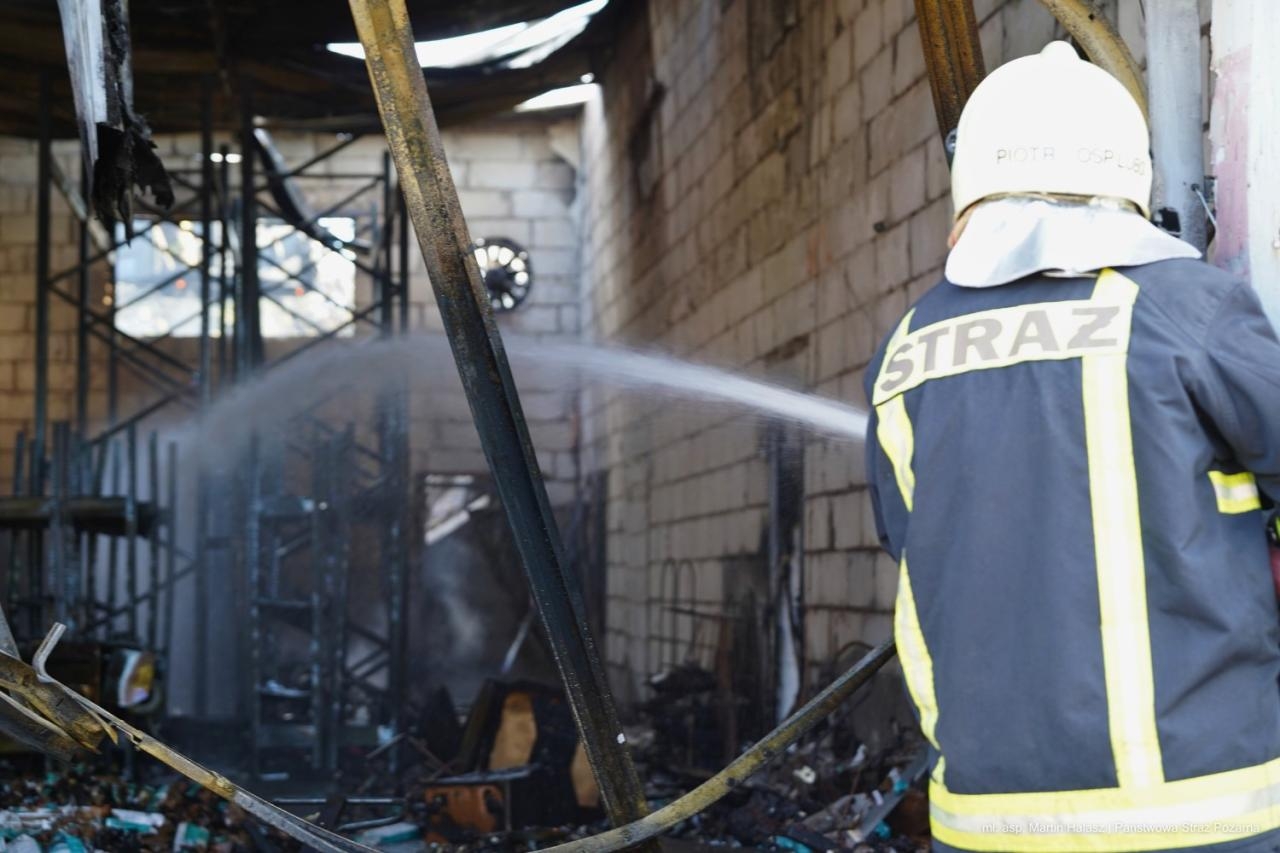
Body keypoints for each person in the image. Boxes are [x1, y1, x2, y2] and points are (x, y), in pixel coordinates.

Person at [864, 40, 1280, 853]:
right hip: (1201, 815)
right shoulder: (1185, 310)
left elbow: (907, 538)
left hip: (986, 822)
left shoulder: (907, 348)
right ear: (1128, 176)